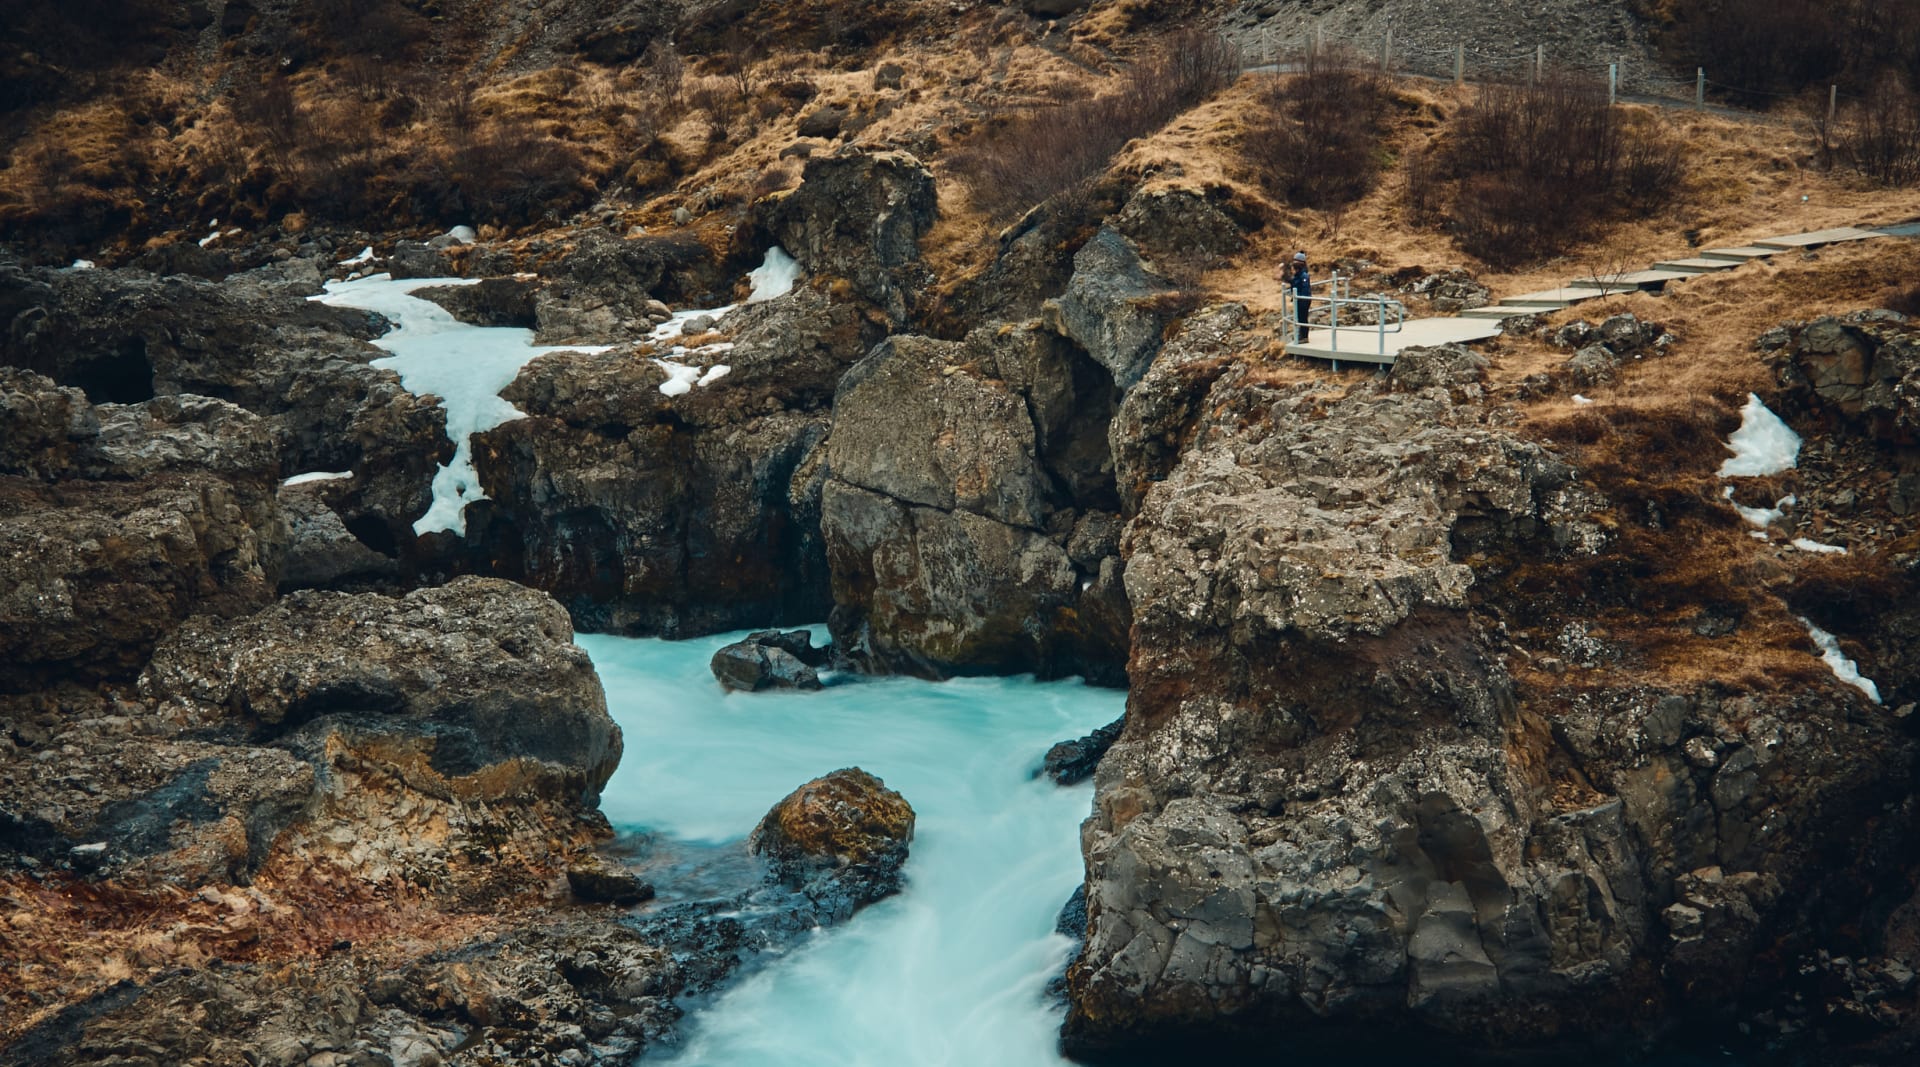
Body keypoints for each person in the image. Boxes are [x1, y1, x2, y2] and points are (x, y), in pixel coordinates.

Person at [1288, 250, 1312, 343]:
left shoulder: (1304, 275)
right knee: (1299, 318)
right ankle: (1300, 335)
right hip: (1298, 299)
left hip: (1303, 300)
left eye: (1296, 261)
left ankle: (1304, 337)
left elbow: (1305, 289)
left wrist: (1302, 299)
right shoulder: (1297, 274)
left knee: (1303, 318)